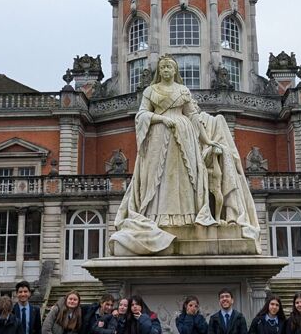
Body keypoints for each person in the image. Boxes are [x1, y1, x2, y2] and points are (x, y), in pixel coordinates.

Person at [110, 55, 260, 255]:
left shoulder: (183, 91)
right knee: (157, 176)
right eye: (162, 67)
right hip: (157, 136)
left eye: (169, 67)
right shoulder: (150, 91)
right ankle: (157, 216)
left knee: (186, 177)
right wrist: (159, 119)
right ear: (159, 71)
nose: (165, 70)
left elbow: (193, 116)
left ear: (175, 71)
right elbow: (142, 114)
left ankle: (186, 218)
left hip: (185, 134)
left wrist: (206, 140)